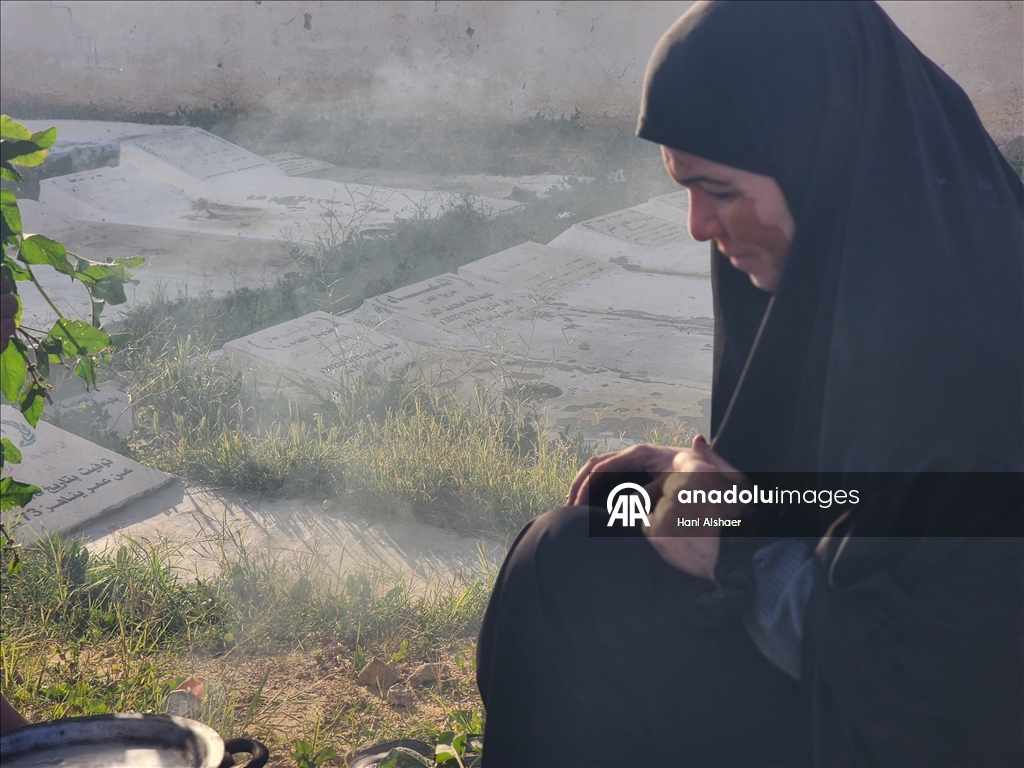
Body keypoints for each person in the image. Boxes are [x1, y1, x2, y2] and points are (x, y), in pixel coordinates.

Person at [475, 2, 1023, 766]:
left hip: (898, 723)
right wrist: (722, 494)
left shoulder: (981, 344)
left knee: (569, 577)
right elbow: (855, 507)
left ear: (817, 163)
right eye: (684, 189)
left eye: (720, 190)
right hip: (834, 664)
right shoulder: (865, 257)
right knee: (586, 536)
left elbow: (950, 685)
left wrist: (736, 553)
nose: (698, 225)